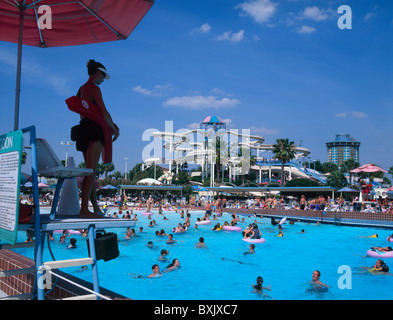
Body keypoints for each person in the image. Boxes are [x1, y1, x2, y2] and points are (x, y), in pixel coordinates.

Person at [71, 60, 119, 218]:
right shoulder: (94, 88)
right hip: (93, 130)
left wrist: (111, 124)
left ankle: (95, 208)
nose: (103, 80)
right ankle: (84, 209)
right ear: (98, 73)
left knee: (89, 171)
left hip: (83, 129)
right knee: (91, 172)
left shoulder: (81, 89)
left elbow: (90, 111)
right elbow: (104, 112)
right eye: (103, 77)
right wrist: (114, 128)